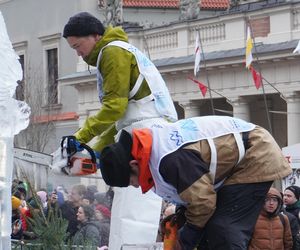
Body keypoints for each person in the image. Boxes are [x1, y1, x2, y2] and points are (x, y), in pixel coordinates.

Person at [56, 11, 178, 248]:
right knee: (126, 200)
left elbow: (114, 107)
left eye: (78, 46)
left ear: (94, 36)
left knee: (135, 206)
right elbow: (120, 119)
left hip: (146, 132)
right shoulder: (115, 51)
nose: (78, 53)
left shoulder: (113, 52)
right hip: (142, 129)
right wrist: (93, 151)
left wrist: (79, 139)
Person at [99, 115, 292, 250]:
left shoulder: (171, 159)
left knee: (224, 228)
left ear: (134, 164)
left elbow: (203, 202)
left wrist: (187, 237)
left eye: (131, 181)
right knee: (210, 228)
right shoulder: (156, 152)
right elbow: (195, 194)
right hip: (241, 158)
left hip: (256, 155)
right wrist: (183, 217)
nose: (136, 186)